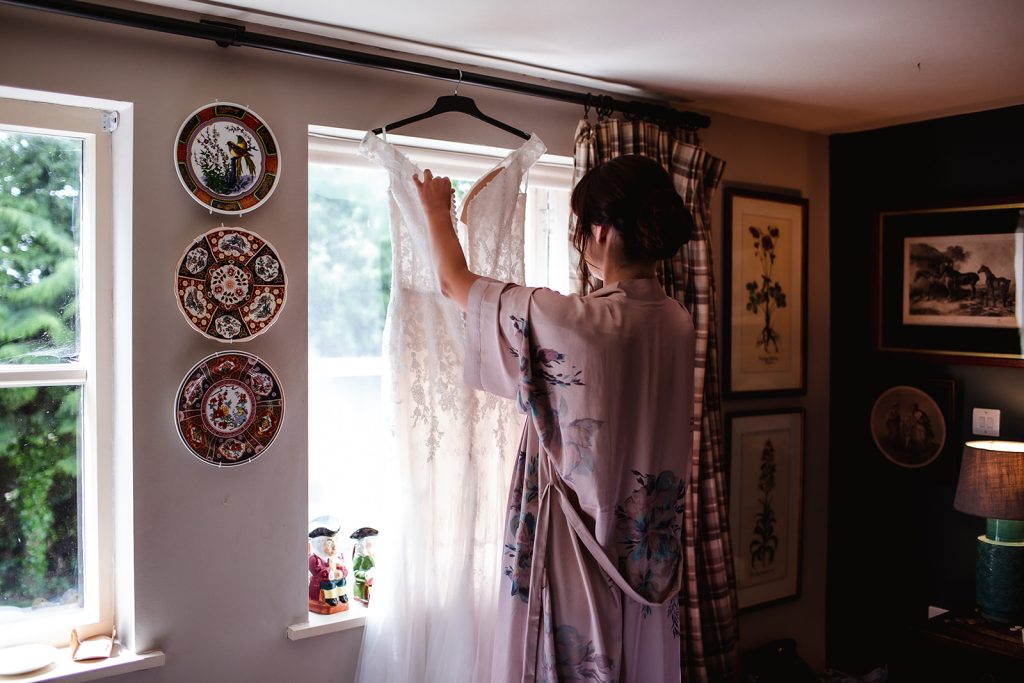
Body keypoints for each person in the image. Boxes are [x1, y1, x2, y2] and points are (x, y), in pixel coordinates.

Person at [413, 154, 697, 682]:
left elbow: (456, 285)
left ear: (600, 231)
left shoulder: (578, 320)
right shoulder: (677, 321)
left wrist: (435, 211)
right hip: (650, 559)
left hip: (580, 550)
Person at [308, 526, 349, 613]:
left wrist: (341, 573)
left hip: (335, 579)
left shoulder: (337, 557)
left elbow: (344, 569)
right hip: (320, 583)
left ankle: (341, 596)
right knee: (329, 584)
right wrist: (332, 574)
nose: (334, 547)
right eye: (330, 544)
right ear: (319, 545)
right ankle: (330, 598)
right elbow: (317, 572)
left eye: (335, 543)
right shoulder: (314, 558)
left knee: (342, 581)